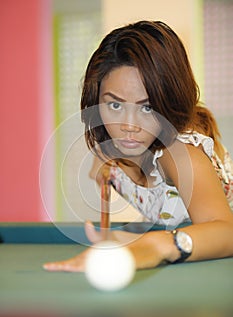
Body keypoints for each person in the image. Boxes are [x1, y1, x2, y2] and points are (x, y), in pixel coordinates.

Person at [43, 20, 233, 272]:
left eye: (147, 107)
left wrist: (156, 246)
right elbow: (101, 167)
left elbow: (226, 231)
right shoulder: (113, 148)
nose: (129, 126)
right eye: (115, 105)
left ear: (168, 103)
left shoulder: (179, 153)